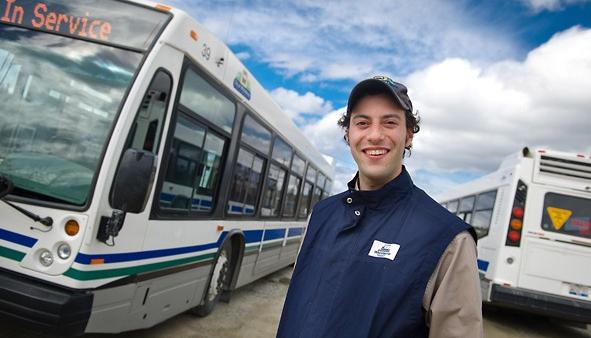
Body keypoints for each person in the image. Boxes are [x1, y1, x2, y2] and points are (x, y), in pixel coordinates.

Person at [277, 76, 483, 338]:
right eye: (362, 123)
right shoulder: (321, 215)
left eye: (389, 122)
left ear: (409, 135)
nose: (375, 135)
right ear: (348, 134)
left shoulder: (449, 240)